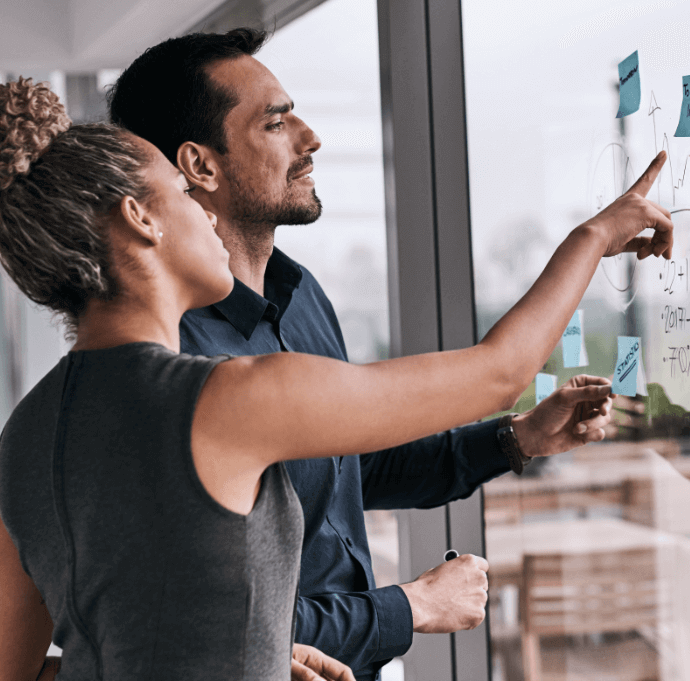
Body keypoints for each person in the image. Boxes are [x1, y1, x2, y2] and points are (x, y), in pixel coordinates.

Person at [0, 77, 671, 681]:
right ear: (139, 218)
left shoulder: (23, 434)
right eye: (181, 193)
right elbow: (500, 373)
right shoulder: (226, 398)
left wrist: (246, 658)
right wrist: (595, 235)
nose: (204, 213)